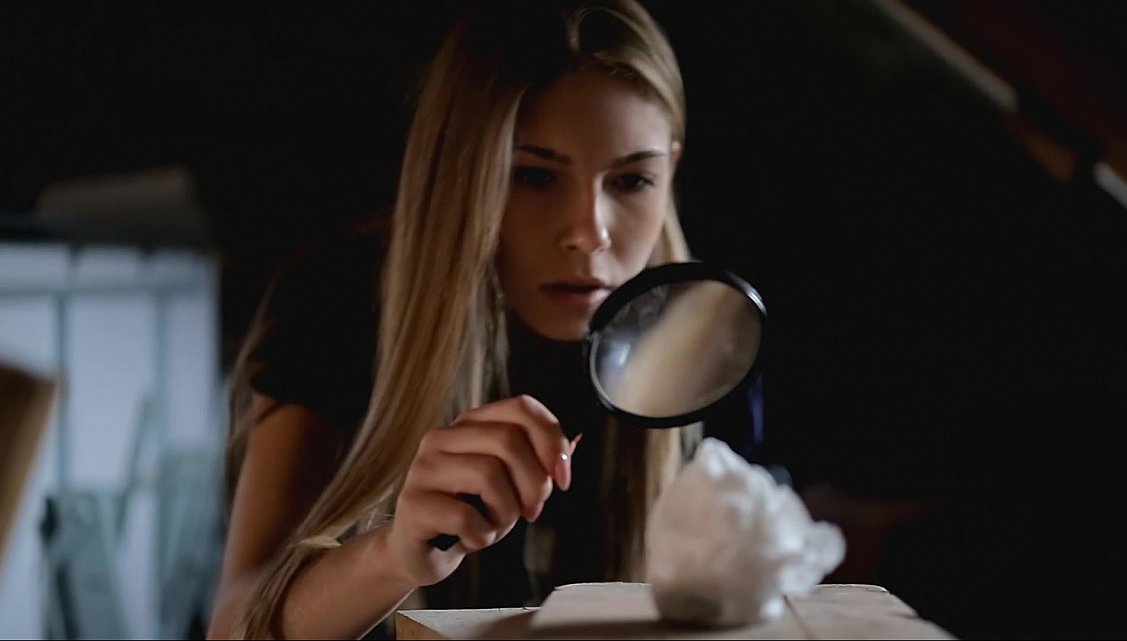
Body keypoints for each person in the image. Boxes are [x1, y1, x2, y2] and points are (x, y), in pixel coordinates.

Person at [207, 1, 762, 638]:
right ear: (461, 172)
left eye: (632, 180)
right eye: (534, 176)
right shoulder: (340, 303)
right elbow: (232, 627)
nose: (589, 234)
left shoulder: (705, 339)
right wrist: (394, 555)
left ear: (671, 170)